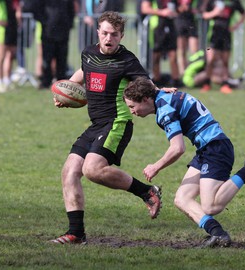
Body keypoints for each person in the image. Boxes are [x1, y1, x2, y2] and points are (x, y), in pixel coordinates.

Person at [123, 77, 245, 248]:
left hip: (215, 148)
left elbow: (178, 148)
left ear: (146, 99)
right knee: (182, 199)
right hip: (207, 148)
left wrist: (155, 166)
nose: (132, 111)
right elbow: (149, 84)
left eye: (132, 106)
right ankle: (218, 234)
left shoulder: (165, 109)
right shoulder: (162, 94)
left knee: (211, 206)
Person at [50, 11, 163, 245]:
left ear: (121, 36)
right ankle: (76, 233)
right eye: (104, 33)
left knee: (92, 169)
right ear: (98, 33)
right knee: (69, 172)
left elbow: (146, 85)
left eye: (114, 34)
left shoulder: (127, 60)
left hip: (117, 123)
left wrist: (162, 90)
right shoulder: (89, 54)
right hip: (96, 125)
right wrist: (67, 90)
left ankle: (147, 192)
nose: (108, 38)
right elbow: (84, 72)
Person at [202, 0, 245, 94]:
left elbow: (244, 14)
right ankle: (206, 83)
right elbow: (204, 15)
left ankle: (225, 84)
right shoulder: (212, 1)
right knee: (210, 60)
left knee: (225, 61)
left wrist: (236, 26)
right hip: (213, 34)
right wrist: (214, 12)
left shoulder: (234, 2)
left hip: (226, 35)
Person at [141, 0, 183, 88]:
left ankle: (175, 80)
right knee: (156, 54)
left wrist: (176, 12)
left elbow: (181, 7)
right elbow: (144, 8)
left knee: (173, 54)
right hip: (157, 26)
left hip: (171, 25)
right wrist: (162, 12)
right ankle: (157, 80)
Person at [37, 0, 77, 89]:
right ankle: (46, 81)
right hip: (48, 32)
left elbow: (71, 10)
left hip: (63, 32)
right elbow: (36, 8)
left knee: (62, 59)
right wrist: (44, 22)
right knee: (47, 59)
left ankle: (61, 81)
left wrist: (69, 24)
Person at [0, 0, 22, 93]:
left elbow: (17, 6)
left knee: (11, 55)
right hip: (3, 27)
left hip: (13, 25)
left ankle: (7, 80)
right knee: (1, 56)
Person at [176, 0, 200, 76]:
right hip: (179, 22)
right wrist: (181, 8)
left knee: (195, 52)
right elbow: (172, 8)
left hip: (191, 22)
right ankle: (183, 74)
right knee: (181, 50)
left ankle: (193, 73)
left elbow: (200, 7)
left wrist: (196, 10)